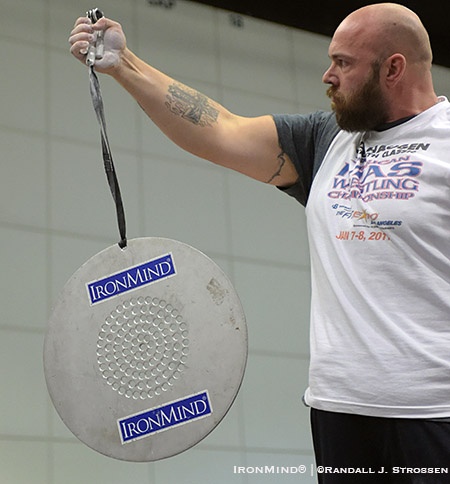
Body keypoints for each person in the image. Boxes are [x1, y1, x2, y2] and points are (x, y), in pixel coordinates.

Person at [70, 3, 450, 482]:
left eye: (344, 63)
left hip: (436, 412)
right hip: (339, 410)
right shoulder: (325, 140)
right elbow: (221, 129)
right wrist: (124, 65)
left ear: (393, 67)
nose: (328, 76)